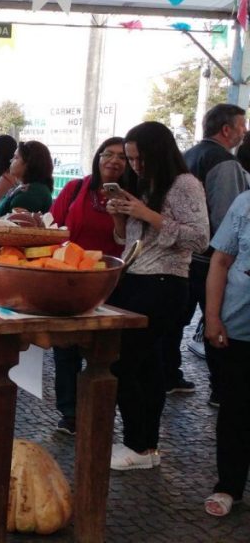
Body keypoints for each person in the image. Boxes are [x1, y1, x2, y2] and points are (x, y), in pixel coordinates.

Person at [105, 121, 209, 471]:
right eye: (131, 159)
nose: (134, 165)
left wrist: (148, 214)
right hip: (135, 278)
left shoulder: (185, 184)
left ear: (157, 152)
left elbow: (200, 239)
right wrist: (120, 218)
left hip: (165, 283)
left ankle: (138, 442)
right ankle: (144, 446)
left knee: (121, 364)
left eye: (138, 158)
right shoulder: (145, 184)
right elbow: (132, 241)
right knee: (147, 367)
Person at [49, 137, 137, 435]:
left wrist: (119, 215)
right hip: (70, 278)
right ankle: (70, 412)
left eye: (122, 157)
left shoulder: (133, 197)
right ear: (98, 157)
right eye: (108, 154)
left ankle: (101, 409)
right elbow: (53, 225)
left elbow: (128, 240)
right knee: (66, 347)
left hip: (112, 280)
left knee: (105, 349)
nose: (114, 161)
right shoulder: (76, 188)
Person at [175, 103, 249, 401]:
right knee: (216, 324)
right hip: (209, 258)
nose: (244, 132)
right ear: (227, 129)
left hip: (185, 255)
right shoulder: (224, 162)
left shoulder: (187, 156)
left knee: (179, 321)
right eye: (242, 126)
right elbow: (226, 221)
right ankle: (222, 389)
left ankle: (171, 374)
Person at [202, 190, 250, 517]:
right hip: (239, 326)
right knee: (235, 410)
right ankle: (229, 485)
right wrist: (213, 316)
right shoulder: (245, 203)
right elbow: (220, 261)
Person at [0, 140, 54, 217]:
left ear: (29, 163)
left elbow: (8, 220)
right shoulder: (26, 187)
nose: (11, 160)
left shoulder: (32, 193)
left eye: (16, 157)